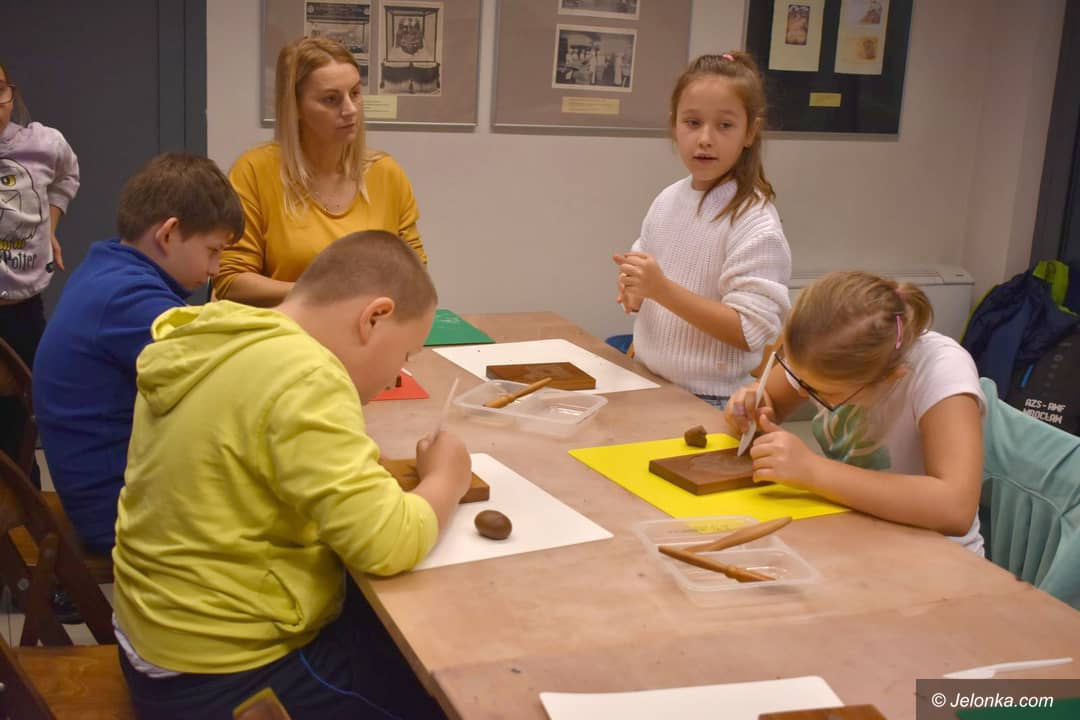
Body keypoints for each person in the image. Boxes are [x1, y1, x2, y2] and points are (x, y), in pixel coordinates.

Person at [112, 231, 472, 718]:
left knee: (382, 629)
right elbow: (387, 542)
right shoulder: (305, 375)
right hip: (224, 673)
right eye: (406, 356)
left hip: (159, 639)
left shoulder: (223, 337)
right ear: (374, 317)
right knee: (443, 699)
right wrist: (447, 478)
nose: (395, 379)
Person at [33, 152, 244, 555]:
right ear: (168, 234)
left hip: (111, 492)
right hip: (119, 513)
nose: (216, 269)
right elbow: (231, 379)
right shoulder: (128, 297)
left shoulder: (108, 267)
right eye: (213, 251)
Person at [724, 271, 986, 554]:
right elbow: (769, 401)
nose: (800, 393)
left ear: (889, 378)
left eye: (819, 392)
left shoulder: (941, 373)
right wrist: (750, 405)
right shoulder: (827, 343)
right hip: (857, 529)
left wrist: (813, 470)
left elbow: (955, 507)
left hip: (936, 554)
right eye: (798, 379)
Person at [614, 52, 791, 408]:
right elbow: (643, 266)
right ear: (674, 125)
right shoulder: (668, 199)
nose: (705, 138)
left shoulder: (755, 222)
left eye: (724, 125)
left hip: (710, 399)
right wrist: (633, 287)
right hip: (650, 379)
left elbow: (749, 331)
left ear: (749, 132)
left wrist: (661, 289)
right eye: (692, 123)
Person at [214, 36, 424, 307]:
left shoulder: (386, 173)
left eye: (355, 93)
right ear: (296, 106)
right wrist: (323, 293)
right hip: (284, 328)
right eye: (331, 99)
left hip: (369, 327)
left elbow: (415, 272)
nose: (350, 110)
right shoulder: (255, 171)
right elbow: (231, 280)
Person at [0, 61, 79, 482]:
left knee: (22, 421)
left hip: (22, 310)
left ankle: (23, 502)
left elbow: (67, 178)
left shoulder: (43, 144)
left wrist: (50, 227)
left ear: (11, 94)